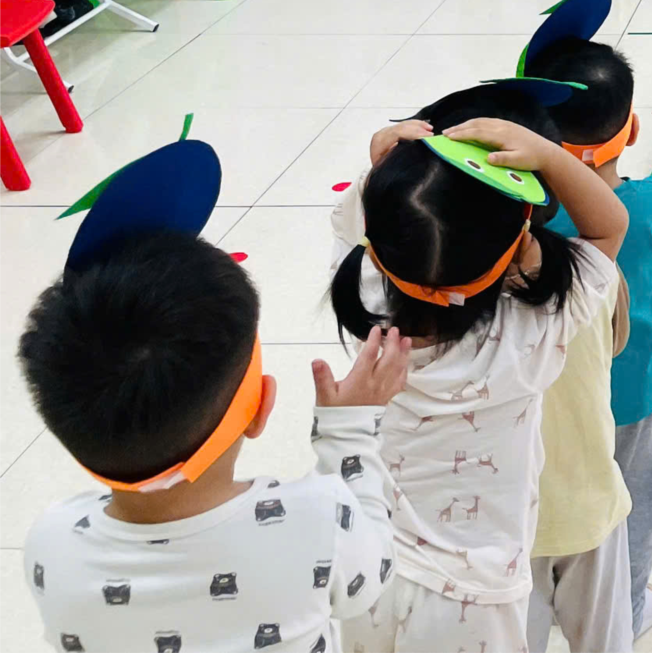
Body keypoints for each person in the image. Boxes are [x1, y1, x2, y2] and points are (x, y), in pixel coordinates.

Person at [329, 83, 629, 653]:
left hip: (372, 569)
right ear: (518, 244)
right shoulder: (531, 330)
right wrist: (549, 156)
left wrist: (382, 166)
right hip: (478, 601)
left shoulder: (367, 295)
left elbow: (369, 230)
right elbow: (608, 227)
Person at [20, 221, 406, 653]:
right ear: (259, 408)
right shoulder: (318, 521)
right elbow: (372, 575)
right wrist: (349, 430)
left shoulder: (51, 545)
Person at [536, 30, 652, 639]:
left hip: (548, 395)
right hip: (636, 392)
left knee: (552, 500)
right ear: (631, 131)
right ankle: (624, 609)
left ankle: (545, 601)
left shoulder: (524, 215)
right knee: (635, 506)